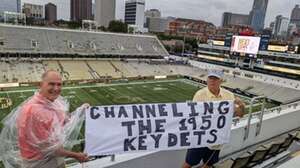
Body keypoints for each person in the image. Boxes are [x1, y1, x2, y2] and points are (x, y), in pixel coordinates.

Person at [17, 70, 89, 168]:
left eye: (59, 85)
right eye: (51, 84)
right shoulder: (34, 111)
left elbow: (65, 121)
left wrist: (81, 111)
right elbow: (49, 149)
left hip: (55, 157)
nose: (56, 88)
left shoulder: (53, 102)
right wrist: (76, 155)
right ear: (41, 84)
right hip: (40, 163)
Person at [182, 69, 245, 168]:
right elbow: (193, 116)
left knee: (208, 164)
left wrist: (241, 105)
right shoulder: (199, 95)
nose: (212, 81)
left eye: (215, 79)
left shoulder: (229, 95)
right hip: (201, 137)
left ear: (221, 81)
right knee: (188, 164)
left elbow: (239, 114)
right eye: (210, 78)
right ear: (207, 80)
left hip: (217, 138)